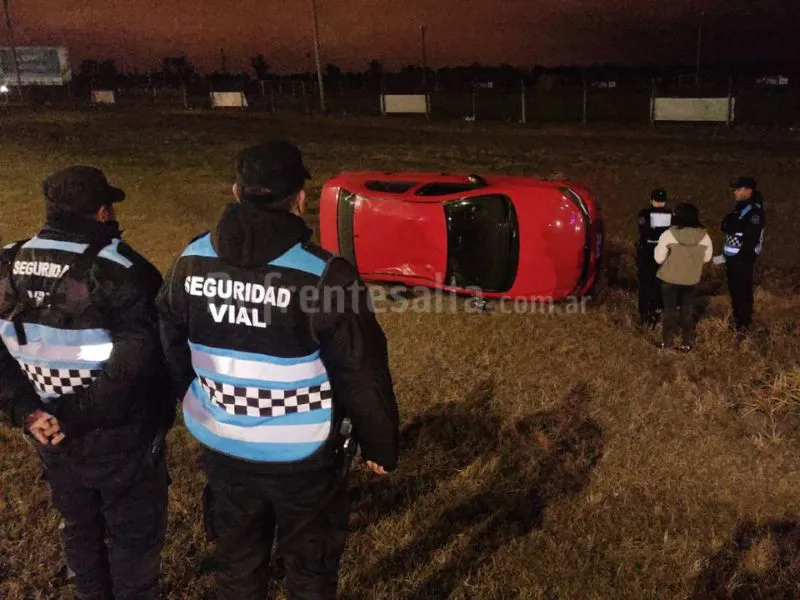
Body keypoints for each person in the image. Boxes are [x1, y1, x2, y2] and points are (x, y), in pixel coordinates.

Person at [155, 140, 400, 600]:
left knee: (238, 567)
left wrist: (198, 395)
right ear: (300, 198)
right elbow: (361, 369)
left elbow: (168, 340)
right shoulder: (324, 275)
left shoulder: (189, 262)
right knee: (309, 572)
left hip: (223, 445)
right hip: (303, 458)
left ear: (236, 191)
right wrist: (380, 445)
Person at [0, 166, 174, 600]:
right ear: (102, 212)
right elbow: (138, 366)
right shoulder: (123, 269)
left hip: (48, 433)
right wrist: (67, 418)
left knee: (79, 526)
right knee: (133, 539)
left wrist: (28, 411)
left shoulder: (6, 262)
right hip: (117, 435)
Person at [653, 202, 713, 351]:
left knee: (670, 311)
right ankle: (686, 343)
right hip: (691, 280)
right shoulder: (705, 237)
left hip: (669, 279)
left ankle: (667, 342)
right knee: (687, 311)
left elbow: (658, 259)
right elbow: (707, 258)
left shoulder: (669, 234)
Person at [717, 176, 765, 338]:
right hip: (733, 259)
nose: (735, 192)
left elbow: (750, 239)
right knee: (735, 291)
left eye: (738, 189)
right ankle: (739, 321)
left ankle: (743, 324)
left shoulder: (753, 213)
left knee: (742, 292)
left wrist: (741, 257)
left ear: (748, 191)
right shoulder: (740, 209)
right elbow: (726, 226)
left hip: (742, 260)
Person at [636, 188, 673, 327]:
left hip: (648, 252)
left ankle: (645, 313)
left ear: (651, 200)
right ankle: (655, 310)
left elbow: (644, 231)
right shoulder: (670, 214)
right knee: (659, 282)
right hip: (663, 252)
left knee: (647, 283)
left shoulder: (645, 214)